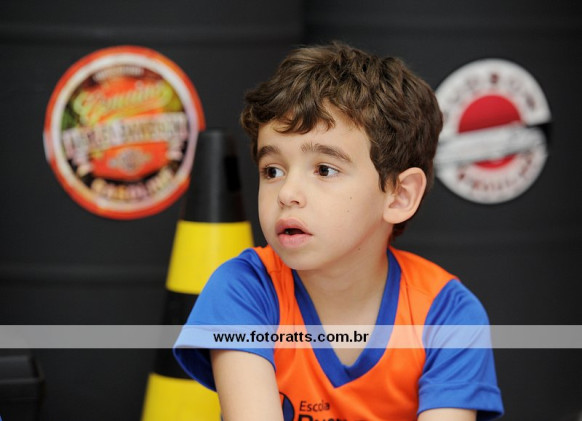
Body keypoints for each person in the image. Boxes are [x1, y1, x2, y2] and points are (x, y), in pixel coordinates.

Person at [174, 42, 503, 421]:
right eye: (272, 171)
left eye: (324, 170)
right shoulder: (243, 289)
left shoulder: (448, 314)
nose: (287, 193)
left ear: (399, 195)